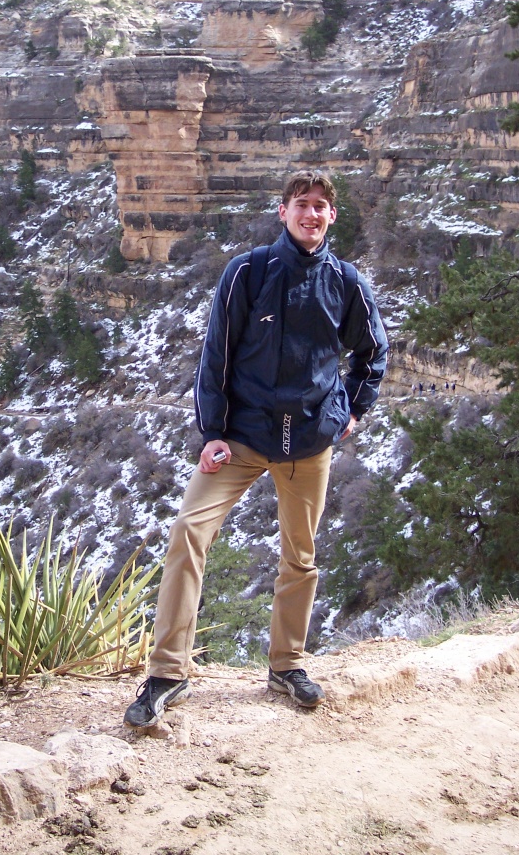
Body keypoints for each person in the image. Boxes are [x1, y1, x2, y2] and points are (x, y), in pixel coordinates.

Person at [124, 171, 389, 729]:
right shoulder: (248, 271)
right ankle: (168, 672)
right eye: (301, 204)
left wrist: (353, 410)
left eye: (320, 206)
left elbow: (373, 353)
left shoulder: (345, 282)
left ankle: (286, 666)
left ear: (332, 216)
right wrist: (212, 431)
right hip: (242, 437)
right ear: (282, 210)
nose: (310, 214)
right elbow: (216, 353)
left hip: (308, 441)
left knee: (301, 555)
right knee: (189, 532)